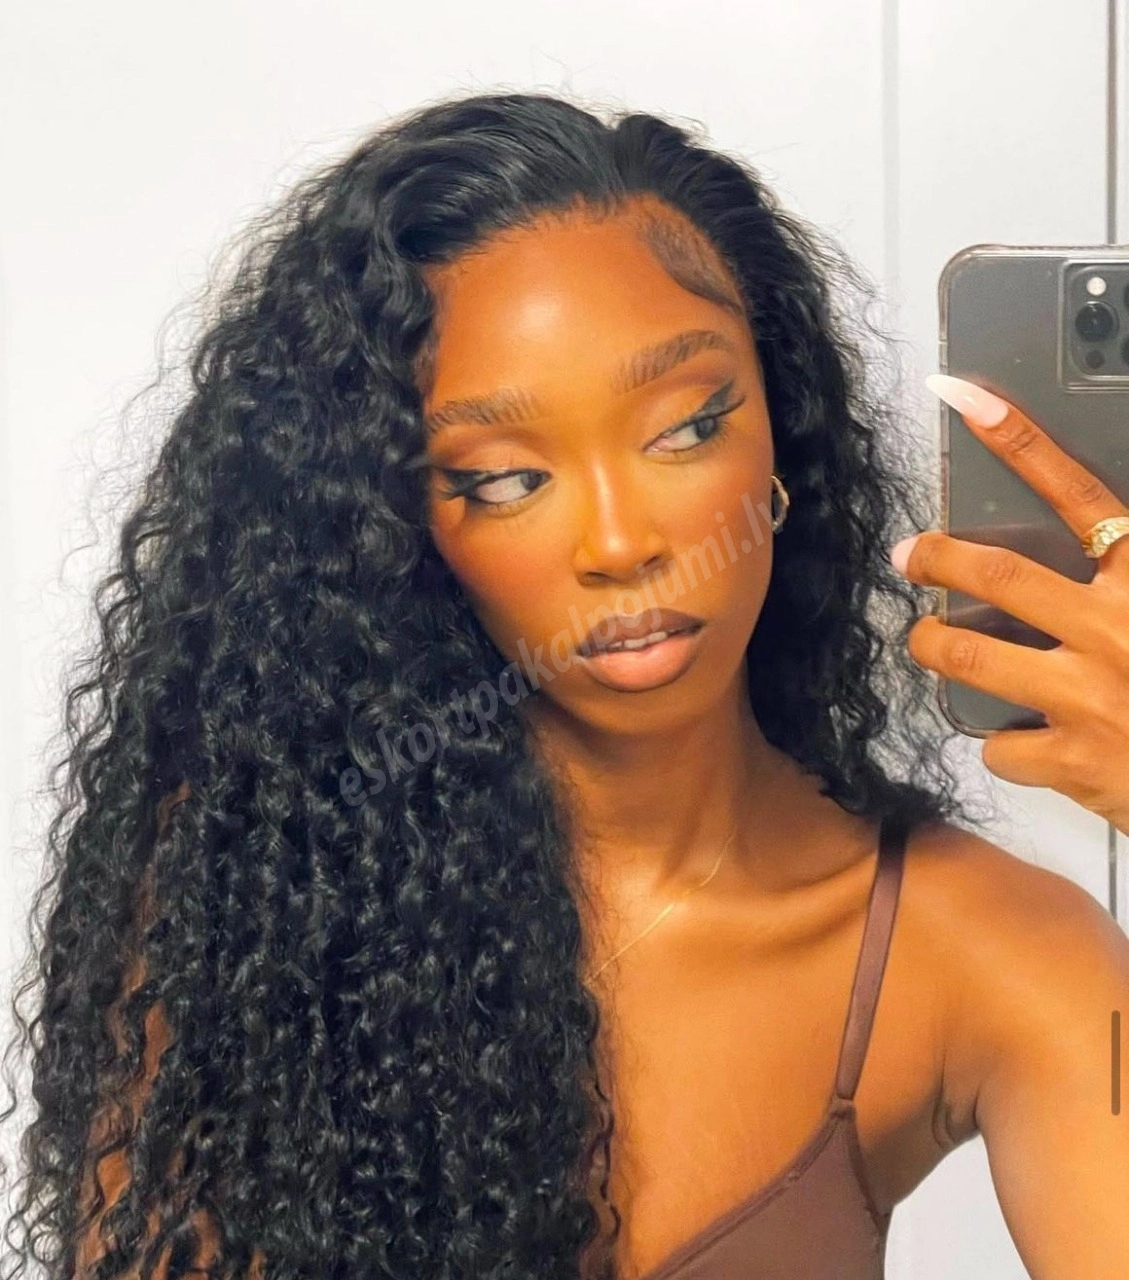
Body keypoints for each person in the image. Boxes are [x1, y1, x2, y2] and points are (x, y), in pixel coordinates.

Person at [3, 90, 1127, 1280]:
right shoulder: (271, 909)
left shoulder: (985, 950)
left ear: (784, 432)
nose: (620, 541)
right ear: (393, 527)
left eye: (686, 427)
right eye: (502, 479)